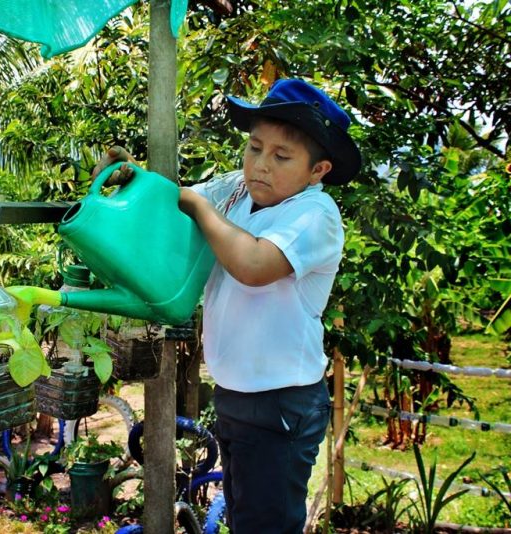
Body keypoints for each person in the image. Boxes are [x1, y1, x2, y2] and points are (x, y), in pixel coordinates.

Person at [93, 78, 361, 533]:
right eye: (255, 148)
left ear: (318, 171)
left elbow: (254, 263)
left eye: (282, 157)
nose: (260, 165)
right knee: (245, 519)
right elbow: (178, 199)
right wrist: (133, 176)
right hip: (238, 395)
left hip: (281, 403)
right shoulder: (239, 190)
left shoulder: (315, 215)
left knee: (265, 524)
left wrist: (199, 206)